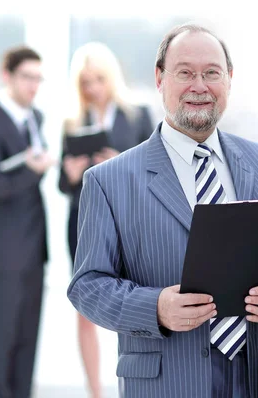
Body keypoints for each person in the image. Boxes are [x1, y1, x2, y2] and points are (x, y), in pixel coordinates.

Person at [67, 24, 258, 398]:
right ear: (160, 78)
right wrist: (155, 308)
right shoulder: (108, 180)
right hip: (168, 380)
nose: (200, 85)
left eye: (212, 73)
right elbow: (87, 286)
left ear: (229, 79)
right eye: (185, 72)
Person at [59, 41, 154, 398]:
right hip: (82, 224)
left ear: (111, 77)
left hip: (128, 223)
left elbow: (154, 172)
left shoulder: (138, 116)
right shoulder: (72, 122)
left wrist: (119, 162)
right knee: (85, 306)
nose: (92, 88)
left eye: (98, 78)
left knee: (128, 301)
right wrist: (71, 173)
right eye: (85, 81)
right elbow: (61, 185)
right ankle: (94, 391)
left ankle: (130, 385)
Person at [0, 46, 55, 398]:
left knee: (29, 337)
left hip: (34, 246)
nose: (33, 85)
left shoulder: (36, 118)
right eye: (27, 77)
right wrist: (34, 169)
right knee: (2, 338)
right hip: (8, 248)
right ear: (7, 76)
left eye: (37, 78)